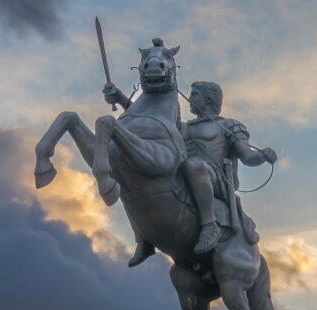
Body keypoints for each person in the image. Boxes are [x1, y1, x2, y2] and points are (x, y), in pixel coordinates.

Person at [103, 81, 277, 267]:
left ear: (209, 99)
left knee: (193, 165)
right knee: (132, 173)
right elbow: (148, 118)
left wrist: (262, 156)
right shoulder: (184, 128)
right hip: (185, 175)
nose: (190, 99)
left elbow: (247, 155)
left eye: (194, 94)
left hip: (215, 178)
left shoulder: (228, 125)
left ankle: (209, 225)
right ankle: (143, 238)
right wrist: (121, 98)